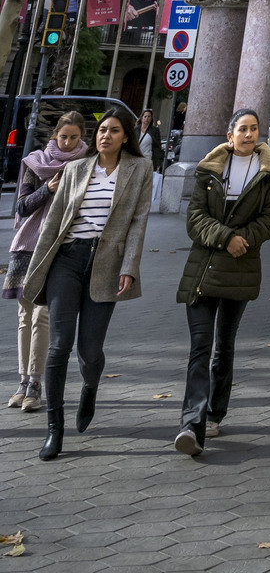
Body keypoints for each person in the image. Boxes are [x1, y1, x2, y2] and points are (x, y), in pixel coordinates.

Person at [22, 101, 153, 461]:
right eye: (101, 131)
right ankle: (55, 429)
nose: (105, 136)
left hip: (107, 264)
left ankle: (90, 388)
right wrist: (38, 266)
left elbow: (139, 222)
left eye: (113, 130)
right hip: (67, 259)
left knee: (89, 351)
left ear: (126, 136)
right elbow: (54, 223)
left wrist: (130, 266)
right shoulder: (77, 167)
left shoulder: (140, 169)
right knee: (59, 345)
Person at [173, 105, 270, 456]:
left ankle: (215, 413)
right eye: (243, 129)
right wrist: (225, 238)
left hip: (240, 268)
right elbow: (195, 218)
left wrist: (244, 240)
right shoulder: (209, 171)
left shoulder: (269, 175)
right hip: (204, 267)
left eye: (254, 129)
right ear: (230, 135)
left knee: (224, 347)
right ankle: (192, 423)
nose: (249, 134)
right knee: (200, 346)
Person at [5, 110, 88, 413]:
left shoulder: (85, 166)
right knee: (24, 316)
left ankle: (36, 383)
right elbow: (23, 206)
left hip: (58, 248)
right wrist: (47, 189)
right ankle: (23, 380)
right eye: (63, 136)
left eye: (74, 137)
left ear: (82, 138)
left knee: (42, 316)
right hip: (27, 247)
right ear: (55, 135)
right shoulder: (35, 162)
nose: (67, 142)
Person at [139, 109, 166, 214]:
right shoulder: (136, 129)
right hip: (136, 160)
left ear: (151, 119)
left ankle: (143, 204)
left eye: (148, 117)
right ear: (141, 118)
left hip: (148, 160)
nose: (146, 119)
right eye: (145, 116)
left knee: (145, 183)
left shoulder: (154, 131)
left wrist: (158, 163)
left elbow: (157, 147)